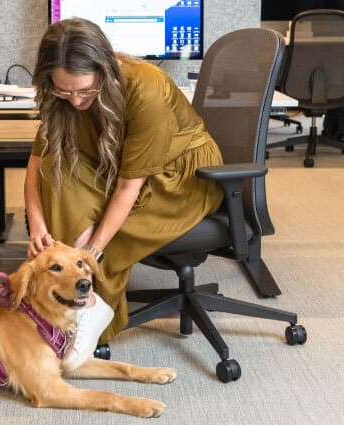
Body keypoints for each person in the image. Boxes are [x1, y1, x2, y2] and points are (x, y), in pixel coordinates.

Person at [24, 18, 224, 370]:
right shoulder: (62, 97)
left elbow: (131, 185)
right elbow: (35, 164)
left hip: (182, 176)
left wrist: (91, 251)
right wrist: (36, 225)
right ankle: (66, 299)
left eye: (85, 91)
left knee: (103, 236)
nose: (75, 100)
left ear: (103, 69)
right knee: (56, 169)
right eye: (64, 91)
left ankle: (87, 309)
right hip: (118, 164)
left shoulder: (145, 86)